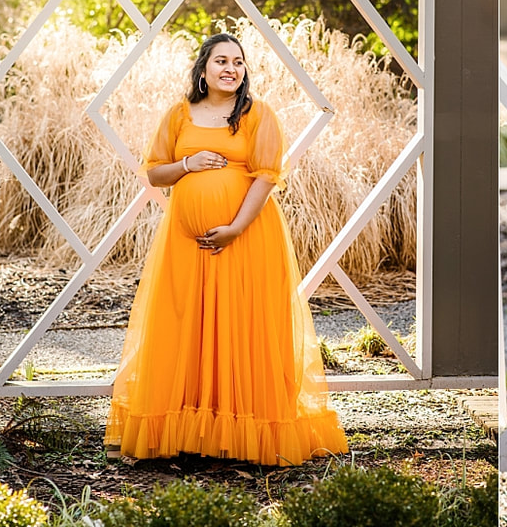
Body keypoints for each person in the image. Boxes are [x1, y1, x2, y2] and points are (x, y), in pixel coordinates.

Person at [105, 33, 348, 466]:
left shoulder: (257, 116)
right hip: (184, 245)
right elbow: (156, 173)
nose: (231, 68)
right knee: (187, 325)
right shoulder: (179, 115)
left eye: (238, 62)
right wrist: (188, 165)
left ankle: (247, 431)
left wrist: (235, 227)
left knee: (242, 324)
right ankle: (190, 431)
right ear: (203, 70)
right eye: (221, 61)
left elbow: (266, 177)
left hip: (246, 239)